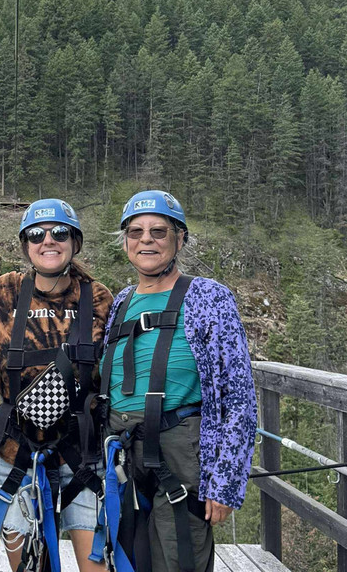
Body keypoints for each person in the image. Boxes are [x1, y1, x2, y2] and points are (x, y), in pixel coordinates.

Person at [97, 191, 256, 572]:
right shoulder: (121, 301)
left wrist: (225, 482)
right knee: (130, 556)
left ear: (179, 238)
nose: (146, 239)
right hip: (122, 453)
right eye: (135, 232)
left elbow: (239, 395)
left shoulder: (207, 297)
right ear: (125, 242)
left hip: (180, 452)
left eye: (158, 231)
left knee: (178, 555)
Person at [0, 199, 113, 572]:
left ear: (75, 243)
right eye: (37, 234)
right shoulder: (3, 293)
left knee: (95, 565)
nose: (48, 241)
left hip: (81, 451)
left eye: (60, 233)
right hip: (16, 452)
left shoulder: (99, 298)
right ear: (26, 244)